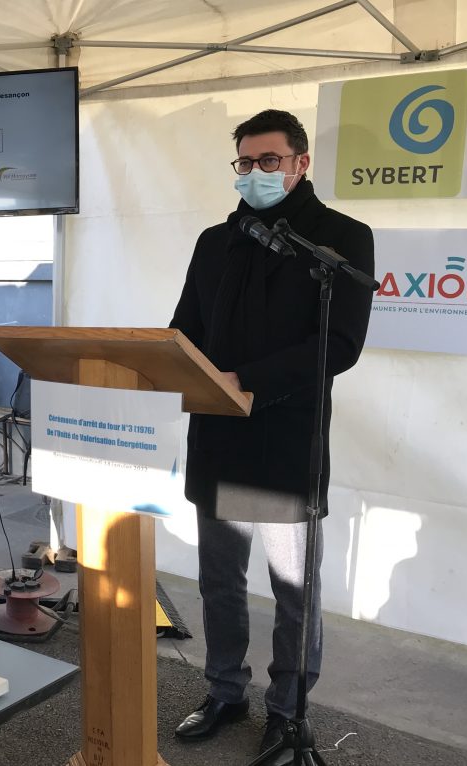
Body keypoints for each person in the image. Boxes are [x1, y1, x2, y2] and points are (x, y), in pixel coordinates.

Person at [168, 110, 373, 763]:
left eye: (268, 161)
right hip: (218, 436)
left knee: (294, 590)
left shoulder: (341, 240)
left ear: (300, 163)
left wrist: (246, 379)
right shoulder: (215, 240)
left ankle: (287, 711)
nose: (255, 174)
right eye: (245, 164)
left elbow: (339, 345)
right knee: (219, 582)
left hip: (287, 440)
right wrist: (183, 369)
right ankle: (225, 691)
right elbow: (184, 330)